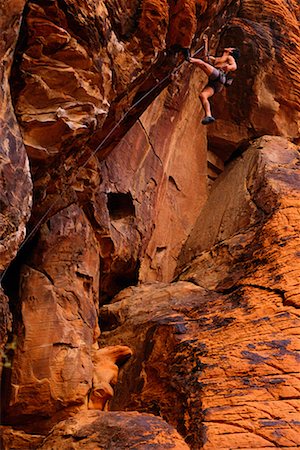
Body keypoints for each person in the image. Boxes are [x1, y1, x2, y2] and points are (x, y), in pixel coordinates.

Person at [189, 36, 240, 125]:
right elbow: (206, 57)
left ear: (231, 51)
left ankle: (188, 58)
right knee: (203, 95)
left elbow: (234, 66)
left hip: (219, 76)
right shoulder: (218, 59)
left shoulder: (229, 57)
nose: (228, 47)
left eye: (230, 47)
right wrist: (206, 43)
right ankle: (208, 115)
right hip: (216, 84)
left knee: (201, 64)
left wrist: (229, 67)